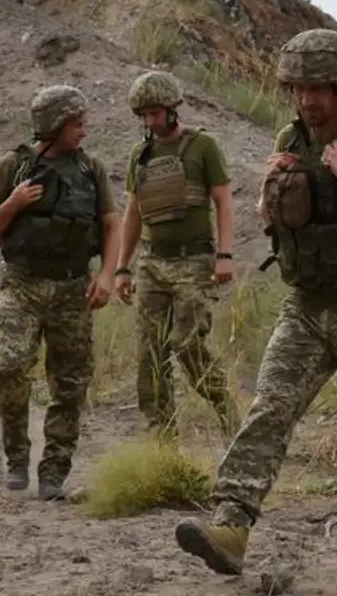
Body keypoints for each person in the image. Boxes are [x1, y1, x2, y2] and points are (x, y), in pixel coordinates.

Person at [173, 28, 337, 577]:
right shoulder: (290, 137)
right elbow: (271, 221)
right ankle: (231, 525)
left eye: (316, 88)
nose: (306, 99)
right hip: (306, 308)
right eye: (298, 88)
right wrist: (268, 189)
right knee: (270, 406)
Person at [0, 84, 121, 501]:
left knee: (70, 382)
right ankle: (16, 455)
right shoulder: (12, 167)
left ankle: (55, 468)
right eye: (76, 123)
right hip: (23, 284)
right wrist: (14, 203)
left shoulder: (91, 169)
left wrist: (107, 275)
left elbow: (112, 224)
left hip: (74, 287)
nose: (84, 130)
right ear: (54, 125)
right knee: (7, 367)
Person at [113, 70, 240, 439]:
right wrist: (122, 268)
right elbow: (133, 213)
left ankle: (229, 415)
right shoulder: (140, 155)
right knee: (149, 352)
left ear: (172, 109)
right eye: (144, 115)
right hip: (152, 263)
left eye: (155, 113)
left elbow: (224, 201)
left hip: (193, 260)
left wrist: (225, 254)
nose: (149, 121)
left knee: (188, 346)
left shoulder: (203, 146)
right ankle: (161, 436)